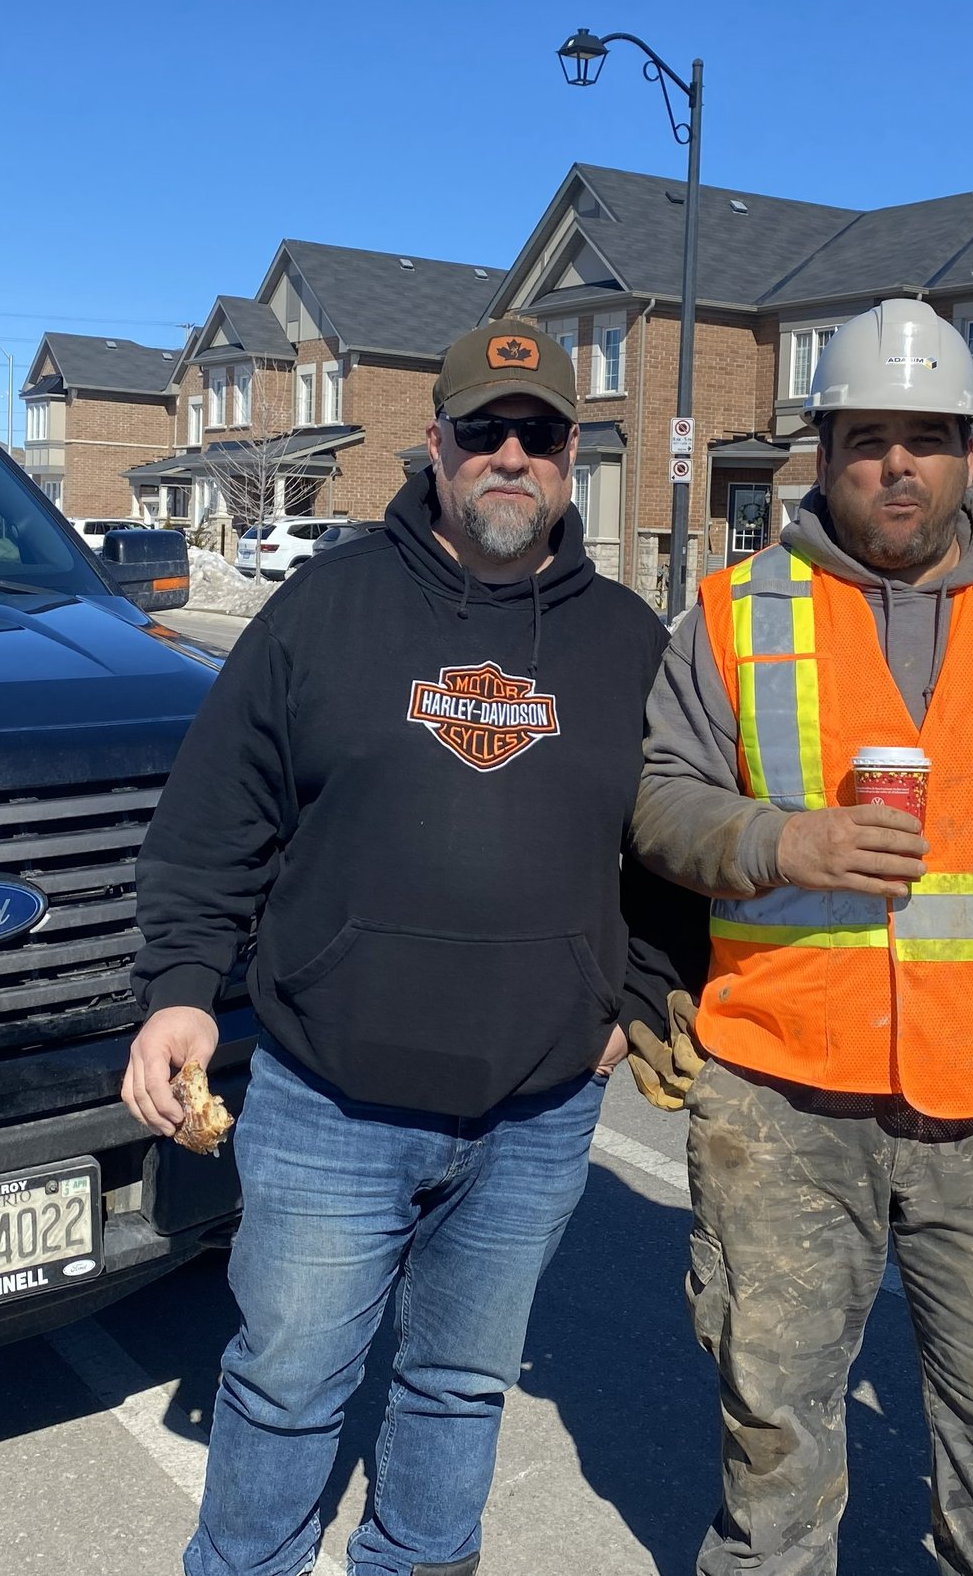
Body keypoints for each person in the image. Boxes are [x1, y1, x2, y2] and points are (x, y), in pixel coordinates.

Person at [123, 322, 698, 1576]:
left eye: (537, 435)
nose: (509, 456)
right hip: (330, 1098)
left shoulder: (626, 641)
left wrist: (637, 996)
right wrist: (178, 993)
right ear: (432, 446)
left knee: (457, 1385)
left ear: (570, 458)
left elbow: (673, 856)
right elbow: (213, 821)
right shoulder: (322, 609)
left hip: (536, 1113)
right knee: (282, 1385)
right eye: (481, 431)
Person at [632, 297, 973, 1576]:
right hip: (781, 1093)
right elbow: (659, 799)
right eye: (867, 436)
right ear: (824, 452)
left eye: (925, 437)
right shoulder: (735, 611)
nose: (895, 464)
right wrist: (781, 842)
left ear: (971, 455)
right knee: (774, 1439)